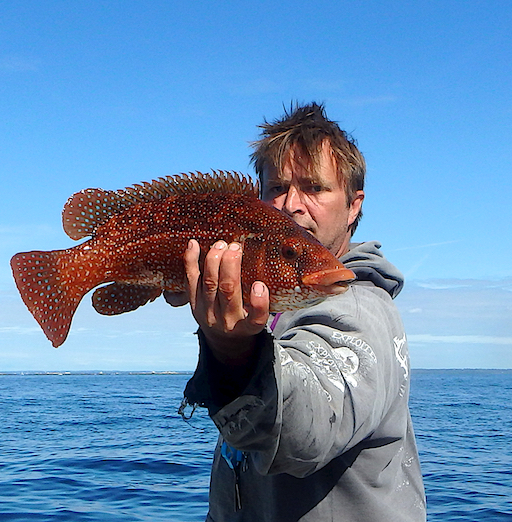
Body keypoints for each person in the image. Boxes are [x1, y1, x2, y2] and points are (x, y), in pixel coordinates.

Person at [171, 103, 426, 521]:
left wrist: (233, 350)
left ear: (353, 205)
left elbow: (303, 433)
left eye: (314, 187)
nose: (291, 204)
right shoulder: (277, 303)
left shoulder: (361, 309)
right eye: (275, 188)